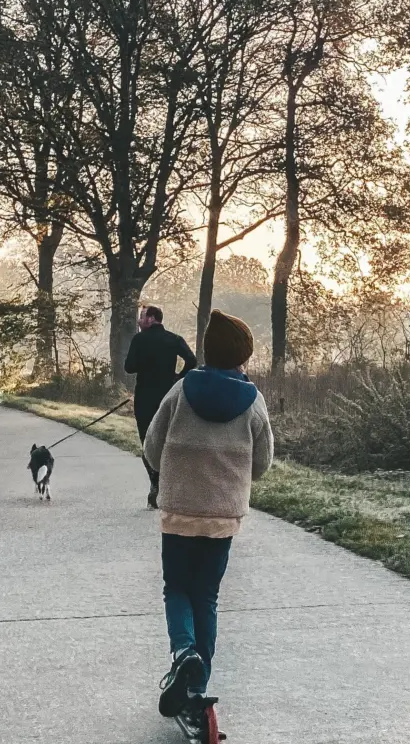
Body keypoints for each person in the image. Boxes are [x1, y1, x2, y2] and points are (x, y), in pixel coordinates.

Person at [143, 310, 273, 719]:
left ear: (206, 350)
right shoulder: (253, 401)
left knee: (176, 587)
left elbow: (151, 446)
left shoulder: (181, 391)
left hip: (179, 512)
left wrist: (171, 472)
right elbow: (263, 463)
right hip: (222, 518)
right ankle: (198, 687)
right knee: (207, 595)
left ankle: (184, 653)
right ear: (244, 356)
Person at [124, 304, 196, 508]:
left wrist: (143, 362)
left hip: (145, 398)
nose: (139, 321)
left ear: (152, 319)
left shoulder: (139, 340)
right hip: (169, 398)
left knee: (147, 441)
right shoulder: (174, 339)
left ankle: (155, 483)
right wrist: (178, 377)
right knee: (168, 440)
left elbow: (129, 368)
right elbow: (192, 360)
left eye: (142, 317)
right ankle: (169, 485)